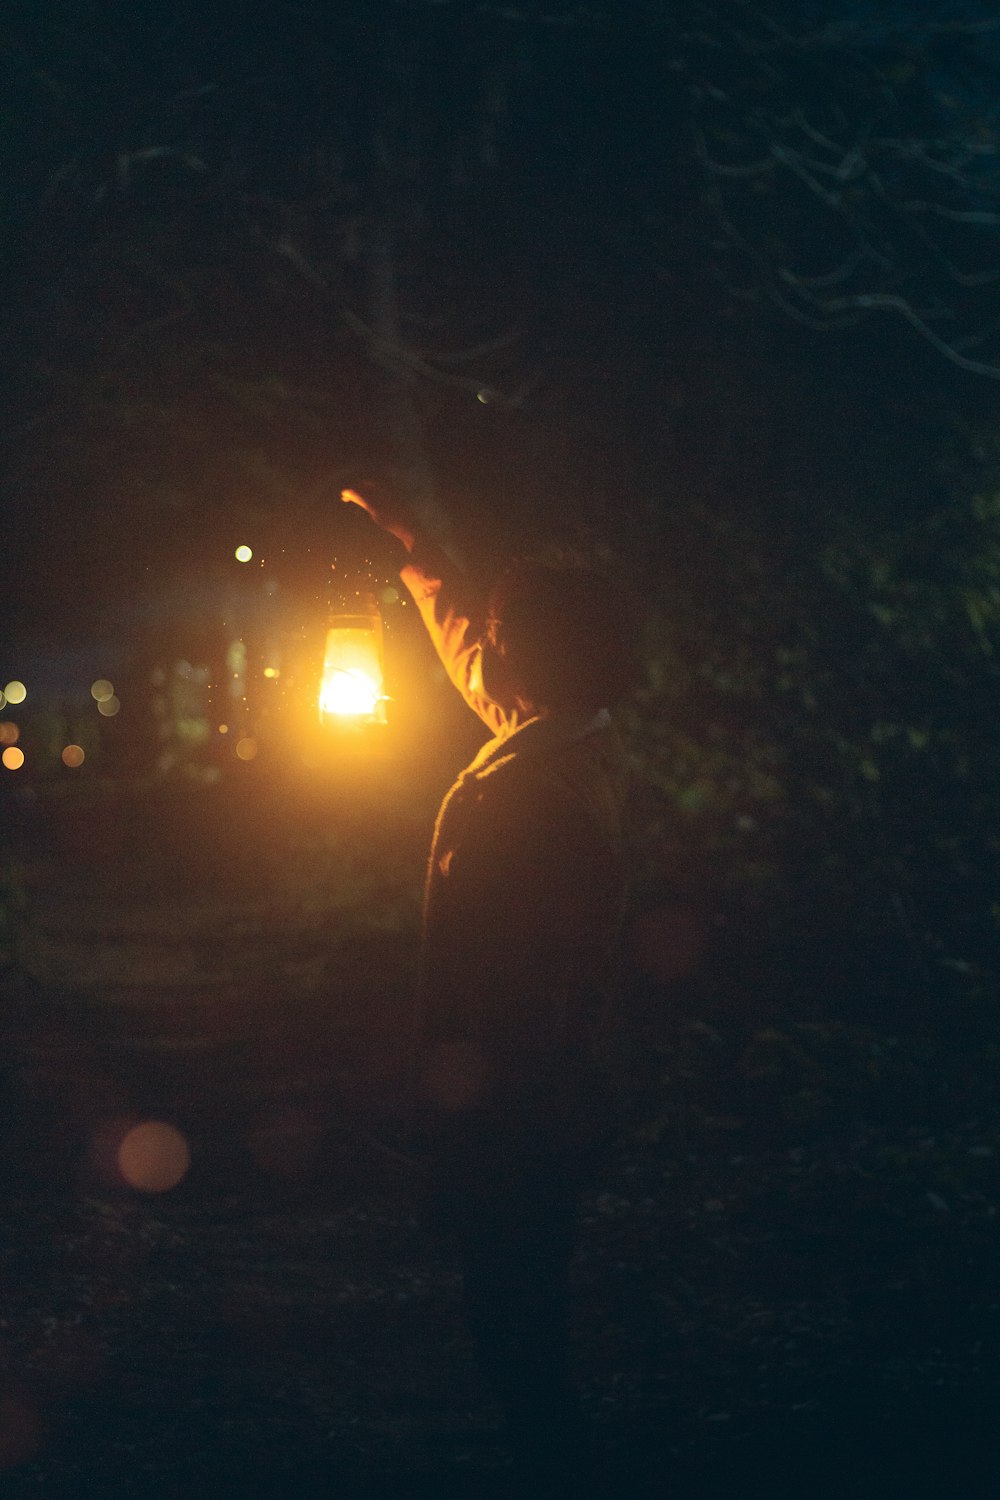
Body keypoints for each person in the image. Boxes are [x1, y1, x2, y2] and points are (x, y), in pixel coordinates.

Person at [342, 485, 637, 1492]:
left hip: (521, 1106)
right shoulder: (562, 738)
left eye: (507, 635)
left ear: (539, 655)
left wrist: (462, 1111)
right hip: (529, 1101)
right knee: (513, 1305)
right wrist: (417, 547)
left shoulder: (538, 800)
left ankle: (553, 1468)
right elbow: (470, 648)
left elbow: (517, 987)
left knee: (515, 1313)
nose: (490, 652)